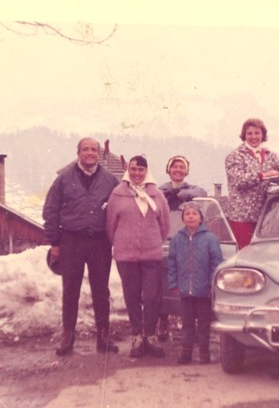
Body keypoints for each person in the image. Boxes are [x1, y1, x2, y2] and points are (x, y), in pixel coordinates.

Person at [43, 137, 120, 356]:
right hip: (71, 241)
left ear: (99, 154)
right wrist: (55, 243)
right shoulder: (63, 180)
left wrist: (116, 240)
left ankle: (103, 336)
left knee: (101, 291)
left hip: (99, 242)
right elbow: (51, 211)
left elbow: (118, 211)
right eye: (85, 149)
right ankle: (68, 335)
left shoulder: (110, 180)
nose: (90, 153)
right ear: (78, 153)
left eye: (94, 150)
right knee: (70, 290)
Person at [105, 155, 171, 358]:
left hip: (151, 255)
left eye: (141, 170)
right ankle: (136, 336)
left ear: (146, 171)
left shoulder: (156, 194)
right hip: (126, 256)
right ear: (128, 170)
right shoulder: (118, 194)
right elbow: (110, 226)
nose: (136, 173)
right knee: (132, 296)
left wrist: (153, 242)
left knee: (152, 296)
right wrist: (121, 243)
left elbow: (165, 225)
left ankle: (149, 336)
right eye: (133, 169)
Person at [225, 117, 279, 248]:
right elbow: (238, 181)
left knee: (262, 253)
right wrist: (264, 175)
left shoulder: (269, 154)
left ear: (263, 135)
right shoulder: (235, 156)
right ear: (244, 135)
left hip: (265, 215)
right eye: (249, 133)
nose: (253, 137)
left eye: (257, 133)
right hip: (242, 216)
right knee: (245, 253)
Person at [167, 202, 224, 364]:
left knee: (204, 323)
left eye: (194, 213)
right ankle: (186, 352)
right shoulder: (177, 239)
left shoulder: (210, 239)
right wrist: (173, 284)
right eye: (187, 214)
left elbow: (216, 263)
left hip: (204, 291)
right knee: (187, 323)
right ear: (183, 218)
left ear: (201, 218)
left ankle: (204, 353)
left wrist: (211, 285)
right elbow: (172, 264)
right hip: (185, 291)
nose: (191, 216)